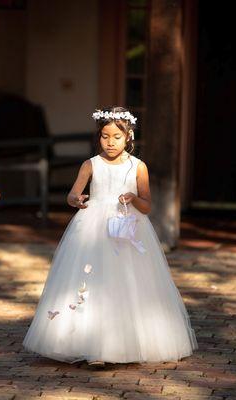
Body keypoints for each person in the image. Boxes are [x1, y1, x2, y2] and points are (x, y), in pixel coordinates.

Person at [22, 106, 198, 366]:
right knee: (90, 280)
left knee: (127, 282)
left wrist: (134, 198)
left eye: (116, 137)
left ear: (128, 137)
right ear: (99, 137)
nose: (110, 142)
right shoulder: (90, 165)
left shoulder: (138, 167)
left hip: (127, 228)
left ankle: (126, 342)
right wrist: (76, 200)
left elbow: (148, 205)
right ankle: (92, 346)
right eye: (105, 136)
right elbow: (72, 195)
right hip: (92, 227)